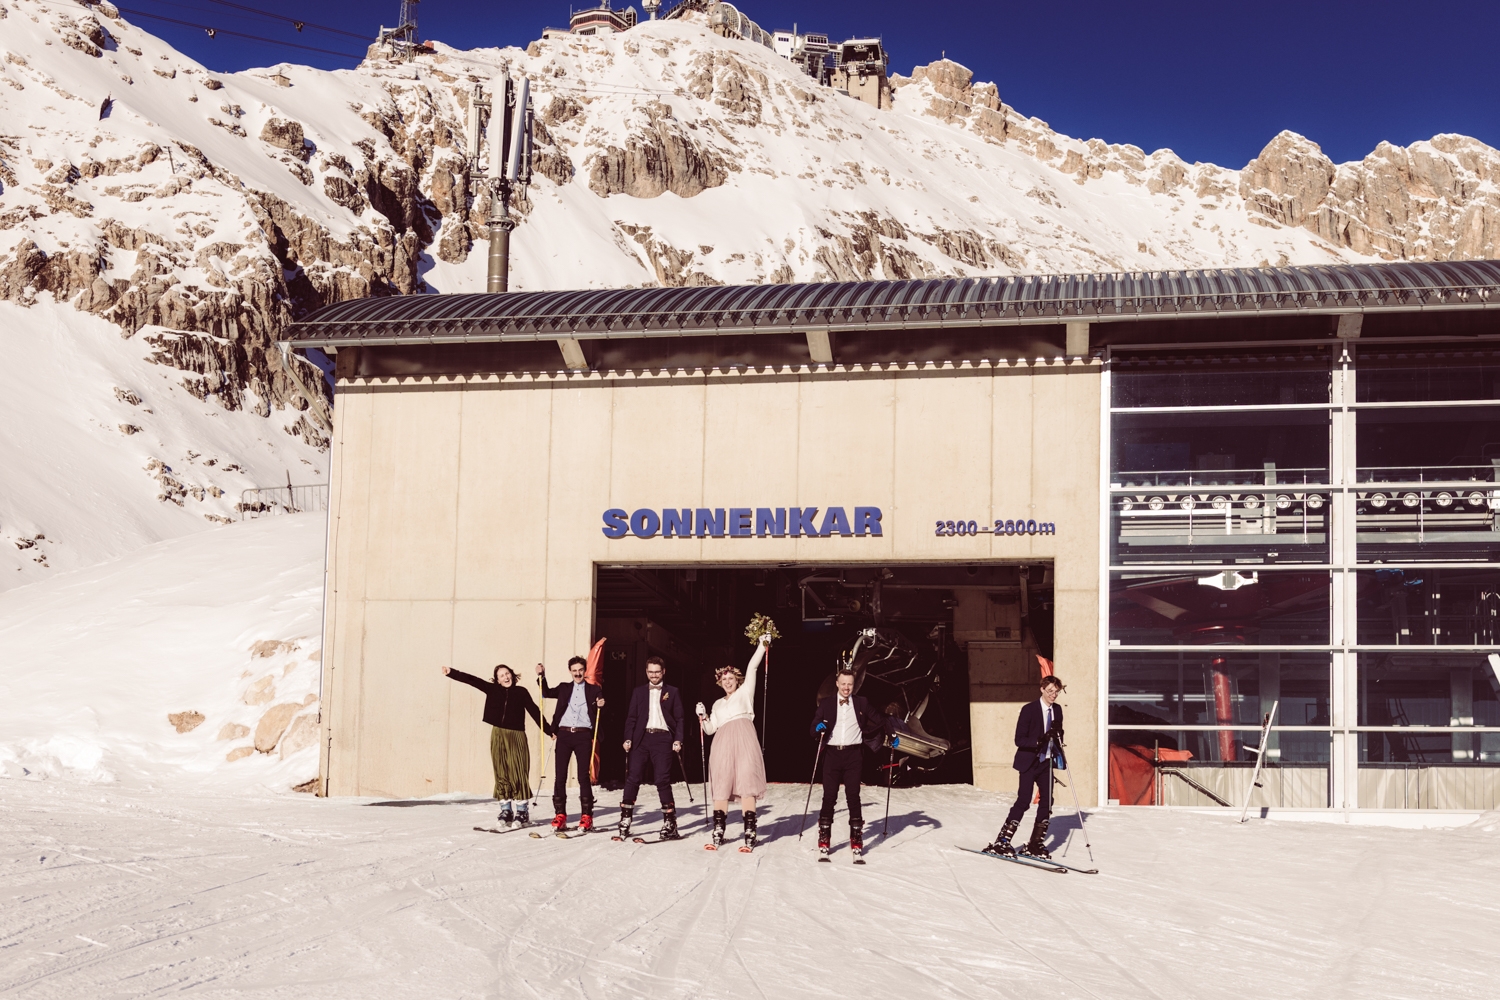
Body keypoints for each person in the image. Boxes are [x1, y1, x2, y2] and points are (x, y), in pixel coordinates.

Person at [440, 663, 542, 829]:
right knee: (501, 771)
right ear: (497, 680)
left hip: (516, 735)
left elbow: (534, 711)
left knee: (518, 772)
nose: (506, 677)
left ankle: (522, 812)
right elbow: (471, 680)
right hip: (498, 734)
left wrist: (550, 730)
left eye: (507, 673)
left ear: (512, 675)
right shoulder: (493, 690)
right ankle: (506, 811)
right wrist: (451, 673)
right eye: (501, 676)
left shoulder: (521, 692)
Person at [697, 634, 770, 849]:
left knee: (746, 782)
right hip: (722, 743)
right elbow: (710, 730)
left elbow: (753, 667)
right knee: (722, 782)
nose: (728, 682)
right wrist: (703, 717)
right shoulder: (718, 704)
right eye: (724, 679)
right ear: (720, 682)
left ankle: (749, 831)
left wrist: (762, 644)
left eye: (731, 679)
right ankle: (719, 830)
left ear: (737, 680)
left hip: (744, 738)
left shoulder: (745, 693)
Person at [808, 666, 886, 857]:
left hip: (853, 755)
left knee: (853, 795)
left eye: (849, 684)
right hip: (833, 755)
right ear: (837, 684)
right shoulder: (826, 704)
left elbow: (880, 719)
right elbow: (812, 730)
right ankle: (824, 835)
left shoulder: (861, 703)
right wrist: (818, 728)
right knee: (829, 796)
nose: (846, 688)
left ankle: (856, 836)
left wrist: (891, 733)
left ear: (854, 685)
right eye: (843, 684)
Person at [984, 675, 1065, 859]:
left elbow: (1059, 734)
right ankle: (1002, 841)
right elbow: (1019, 739)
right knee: (1024, 800)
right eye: (1050, 691)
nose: (1053, 695)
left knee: (1047, 801)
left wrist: (1058, 735)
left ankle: (1035, 843)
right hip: (1029, 762)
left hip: (1047, 761)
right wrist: (1039, 740)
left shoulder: (1057, 710)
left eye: (1056, 692)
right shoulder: (1029, 710)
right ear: (1042, 689)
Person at [619, 655, 685, 840]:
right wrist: (627, 738)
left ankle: (670, 822)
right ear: (646, 672)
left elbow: (680, 718)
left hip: (663, 738)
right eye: (650, 672)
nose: (654, 675)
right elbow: (631, 717)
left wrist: (678, 740)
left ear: (663, 672)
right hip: (642, 738)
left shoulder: (672, 691)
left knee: (662, 780)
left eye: (657, 672)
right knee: (633, 777)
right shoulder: (638, 692)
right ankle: (625, 819)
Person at [537, 656, 605, 833]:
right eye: (574, 670)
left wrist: (600, 702)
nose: (577, 673)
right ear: (570, 671)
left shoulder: (593, 689)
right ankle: (560, 815)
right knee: (560, 776)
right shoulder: (564, 688)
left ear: (585, 670)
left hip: (583, 736)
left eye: (580, 670)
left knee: (583, 776)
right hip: (564, 735)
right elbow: (546, 693)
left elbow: (600, 700)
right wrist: (541, 676)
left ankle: (587, 816)